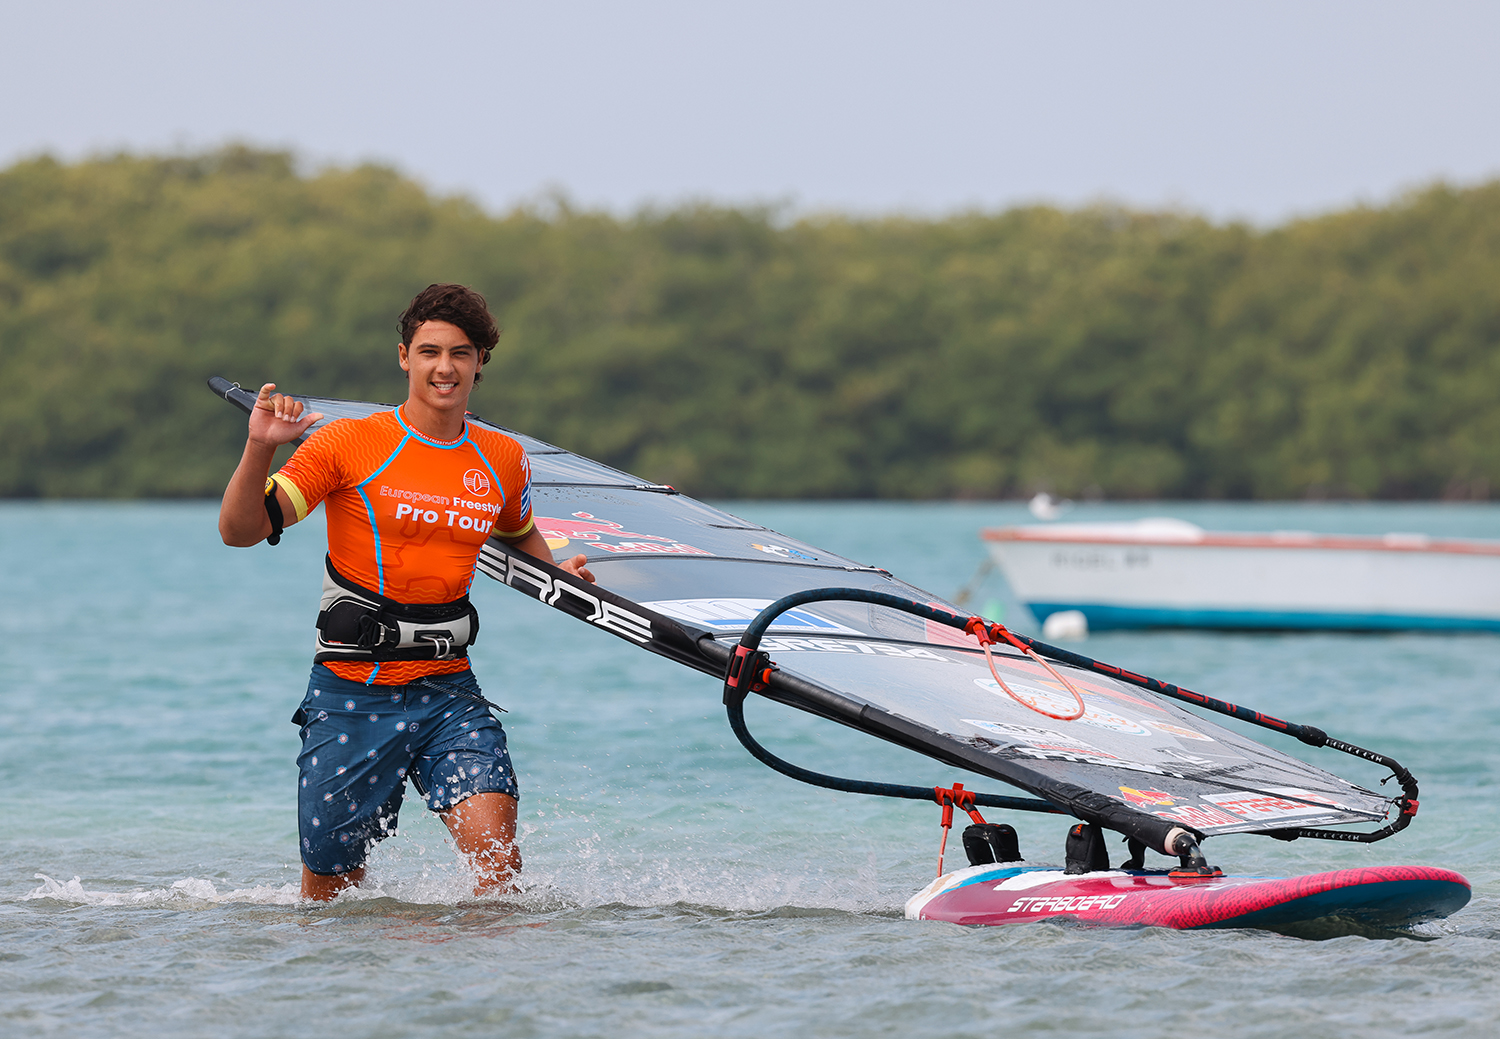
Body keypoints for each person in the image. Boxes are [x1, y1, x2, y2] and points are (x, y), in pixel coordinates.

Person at [218, 283, 594, 901]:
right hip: (351, 693)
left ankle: (480, 993)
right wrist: (260, 447)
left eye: (460, 353)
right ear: (404, 357)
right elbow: (241, 531)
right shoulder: (345, 444)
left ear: (479, 364)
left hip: (449, 692)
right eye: (429, 351)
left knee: (498, 871)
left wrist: (560, 574)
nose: (444, 367)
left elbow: (521, 537)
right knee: (330, 900)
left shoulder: (503, 458)